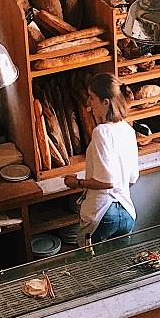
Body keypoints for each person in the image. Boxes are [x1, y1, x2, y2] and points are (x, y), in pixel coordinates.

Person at [64, 73, 140, 245]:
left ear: (106, 102)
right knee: (118, 266)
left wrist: (77, 182)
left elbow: (106, 182)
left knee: (92, 267)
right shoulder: (127, 129)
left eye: (92, 98)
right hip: (127, 213)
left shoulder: (101, 132)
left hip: (104, 214)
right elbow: (133, 178)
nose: (89, 103)